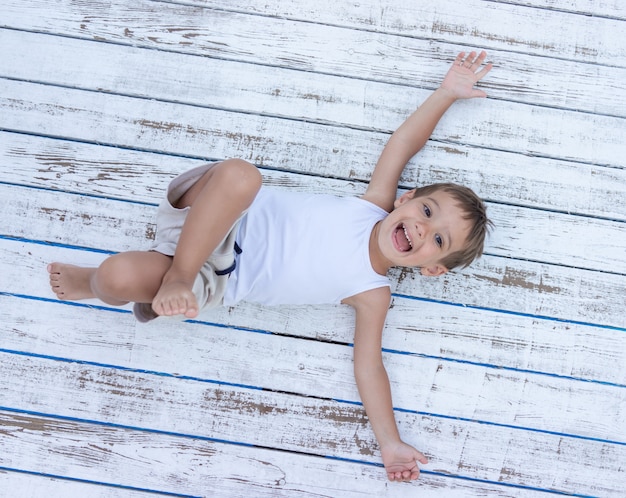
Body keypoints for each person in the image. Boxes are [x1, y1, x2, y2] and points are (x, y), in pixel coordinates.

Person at [48, 50, 493, 482]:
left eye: (438, 240)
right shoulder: (374, 205)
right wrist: (446, 93)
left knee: (115, 277)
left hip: (210, 276)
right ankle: (176, 274)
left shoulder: (371, 291)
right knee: (243, 175)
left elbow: (369, 367)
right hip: (217, 212)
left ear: (433, 268)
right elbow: (402, 143)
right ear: (407, 198)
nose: (420, 229)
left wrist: (390, 443)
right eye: (427, 212)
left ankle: (92, 281)